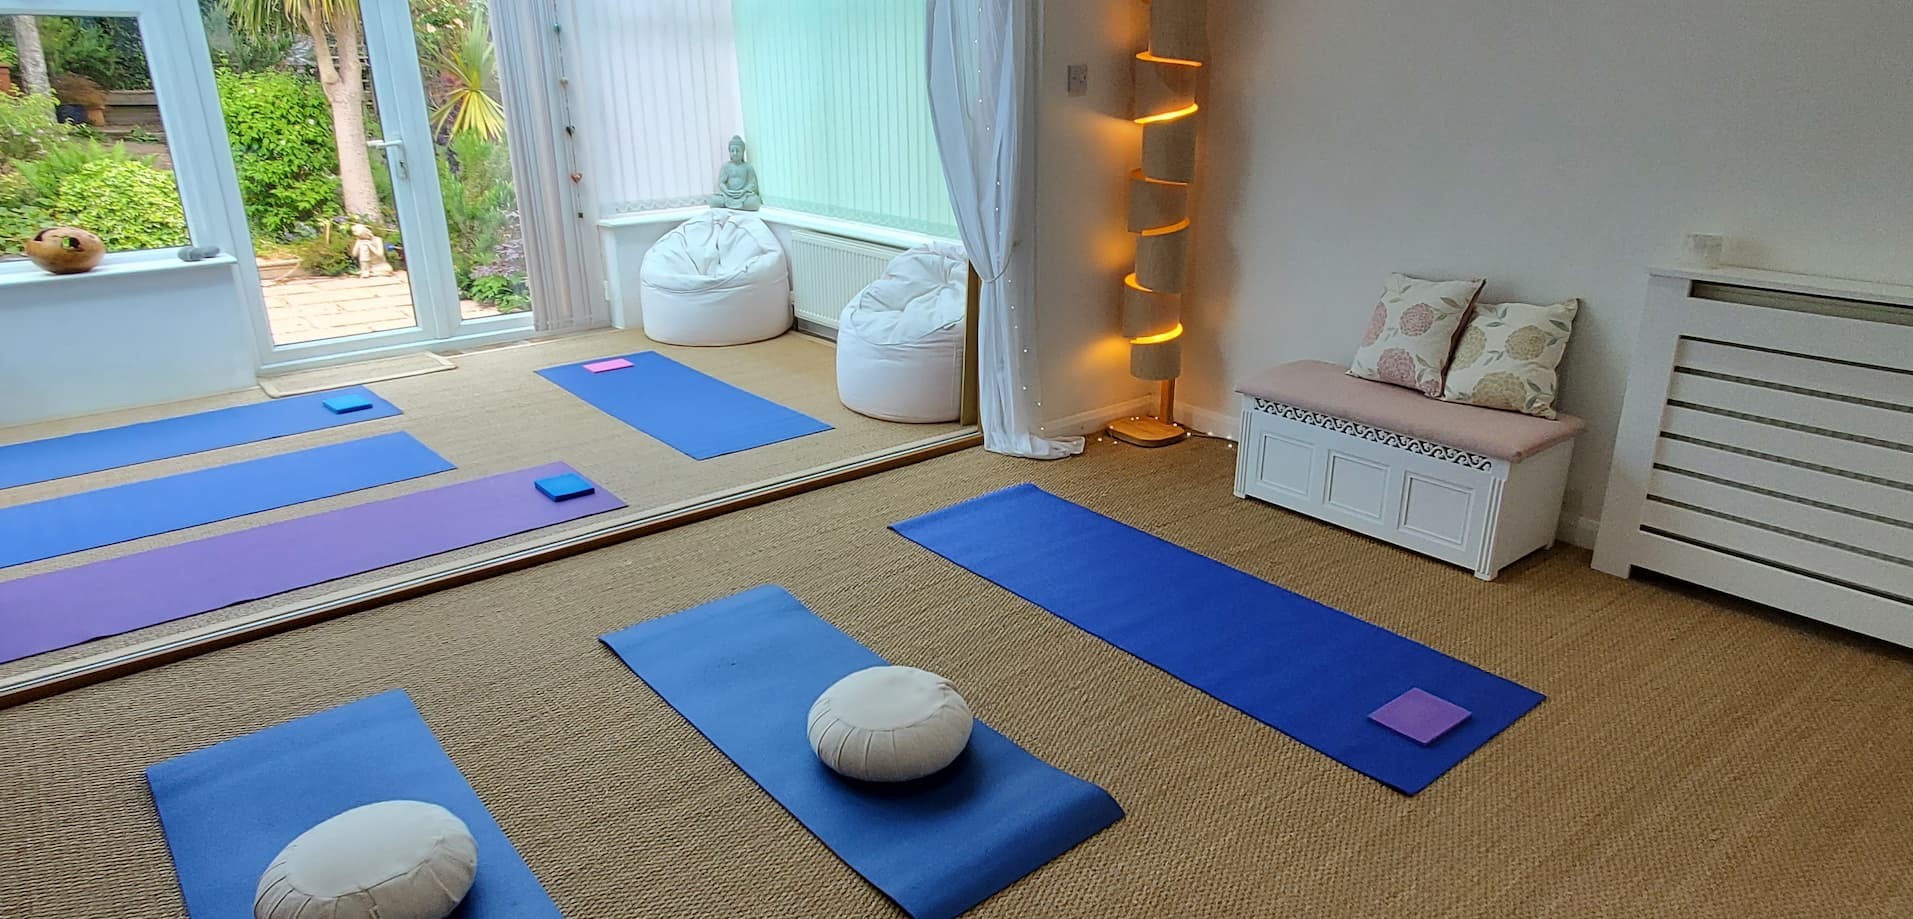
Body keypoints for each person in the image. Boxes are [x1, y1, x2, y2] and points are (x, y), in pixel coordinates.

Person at [708, 135, 763, 211]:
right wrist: (726, 190)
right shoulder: (726, 166)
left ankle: (734, 206)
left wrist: (744, 191)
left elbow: (752, 184)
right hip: (728, 195)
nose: (735, 153)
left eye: (737, 150)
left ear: (742, 152)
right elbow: (721, 183)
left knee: (754, 202)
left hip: (743, 195)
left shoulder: (748, 167)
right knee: (713, 200)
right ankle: (735, 206)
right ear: (729, 152)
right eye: (732, 151)